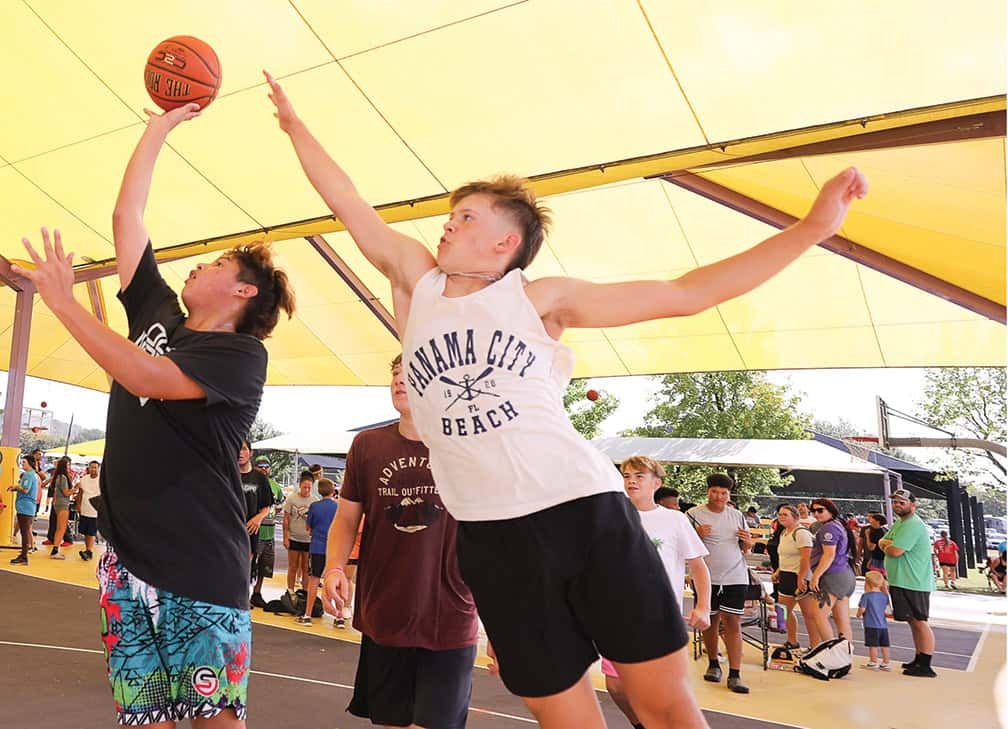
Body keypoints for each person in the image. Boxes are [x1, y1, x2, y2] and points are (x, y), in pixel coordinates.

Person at [268, 68, 865, 729]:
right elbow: (348, 201)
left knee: (661, 703)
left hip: (579, 510)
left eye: (465, 216)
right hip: (492, 538)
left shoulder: (536, 297)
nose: (447, 225)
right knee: (566, 717)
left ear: (506, 242)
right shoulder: (418, 281)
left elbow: (686, 292)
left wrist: (813, 227)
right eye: (449, 214)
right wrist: (296, 127)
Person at [10, 100, 295, 726]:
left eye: (218, 264)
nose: (199, 263)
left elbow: (142, 374)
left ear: (244, 291)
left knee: (213, 716)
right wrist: (158, 127)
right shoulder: (157, 314)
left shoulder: (239, 356)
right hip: (124, 556)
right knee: (145, 717)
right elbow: (127, 217)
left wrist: (63, 303)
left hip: (198, 560)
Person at [321, 354, 479, 728]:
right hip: (385, 611)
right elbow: (346, 518)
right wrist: (334, 568)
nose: (400, 380)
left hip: (450, 614)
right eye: (395, 373)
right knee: (390, 721)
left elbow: (498, 535)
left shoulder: (468, 446)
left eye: (412, 373)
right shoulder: (367, 445)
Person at [610, 457, 712, 729]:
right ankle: (641, 724)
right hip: (616, 615)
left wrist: (703, 606)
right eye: (627, 475)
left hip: (658, 617)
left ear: (656, 483)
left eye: (639, 476)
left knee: (662, 690)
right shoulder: (612, 517)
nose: (631, 480)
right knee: (617, 687)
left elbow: (699, 568)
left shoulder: (674, 520)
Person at [687, 474, 753, 694]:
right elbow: (685, 546)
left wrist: (748, 542)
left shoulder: (737, 516)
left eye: (724, 493)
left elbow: (746, 549)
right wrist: (697, 535)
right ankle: (713, 662)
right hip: (706, 577)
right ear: (708, 491)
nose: (719, 496)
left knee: (733, 621)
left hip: (735, 576)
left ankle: (735, 673)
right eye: (715, 491)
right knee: (710, 620)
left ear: (729, 495)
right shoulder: (693, 515)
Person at [879, 489, 938, 677]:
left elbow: (895, 550)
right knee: (912, 621)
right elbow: (884, 541)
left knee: (920, 621)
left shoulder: (913, 525)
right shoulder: (901, 523)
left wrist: (887, 545)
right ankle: (919, 658)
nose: (898, 505)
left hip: (914, 581)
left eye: (902, 502)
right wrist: (886, 544)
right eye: (895, 502)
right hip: (902, 579)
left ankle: (926, 663)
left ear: (913, 504)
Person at [806, 498, 857, 646]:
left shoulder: (829, 528)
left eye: (820, 510)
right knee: (842, 620)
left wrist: (815, 577)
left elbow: (829, 555)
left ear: (831, 510)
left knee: (819, 616)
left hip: (833, 577)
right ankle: (844, 657)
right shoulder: (838, 525)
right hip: (845, 575)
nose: (816, 514)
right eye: (813, 511)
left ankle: (832, 653)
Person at [772, 505, 817, 650]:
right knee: (782, 609)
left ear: (795, 517)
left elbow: (806, 558)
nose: (781, 517)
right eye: (780, 514)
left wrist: (801, 578)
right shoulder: (784, 532)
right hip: (786, 575)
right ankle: (792, 641)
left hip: (800, 576)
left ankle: (815, 646)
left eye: (785, 514)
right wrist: (778, 571)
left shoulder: (801, 533)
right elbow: (785, 556)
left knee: (808, 615)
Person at [301, 479, 339, 625]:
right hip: (334, 548)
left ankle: (307, 614)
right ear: (332, 490)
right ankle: (339, 616)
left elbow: (308, 528)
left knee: (314, 580)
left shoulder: (314, 506)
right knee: (335, 581)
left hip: (317, 546)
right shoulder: (338, 507)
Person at [250, 455, 284, 607]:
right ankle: (245, 593)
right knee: (249, 566)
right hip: (255, 531)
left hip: (270, 533)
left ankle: (257, 593)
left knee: (265, 566)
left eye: (266, 466)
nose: (264, 469)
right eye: (260, 466)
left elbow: (280, 503)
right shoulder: (251, 483)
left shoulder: (275, 486)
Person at [237, 440, 273, 581]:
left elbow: (267, 504)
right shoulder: (227, 475)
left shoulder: (260, 478)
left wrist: (259, 518)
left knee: (245, 572)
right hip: (229, 531)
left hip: (250, 533)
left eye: (244, 449)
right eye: (237, 449)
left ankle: (245, 601)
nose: (240, 453)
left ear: (250, 453)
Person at [283, 471, 316, 595]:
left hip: (308, 540)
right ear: (299, 486)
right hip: (294, 538)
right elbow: (286, 519)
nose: (306, 490)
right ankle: (290, 591)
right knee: (293, 566)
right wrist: (286, 537)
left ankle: (304, 592)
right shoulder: (291, 499)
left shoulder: (315, 501)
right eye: (304, 487)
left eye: (309, 488)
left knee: (306, 568)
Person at [9, 454, 40, 566]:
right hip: (26, 507)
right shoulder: (32, 475)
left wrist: (16, 487)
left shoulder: (28, 475)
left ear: (30, 463)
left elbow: (26, 490)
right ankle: (23, 554)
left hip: (25, 507)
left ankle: (24, 556)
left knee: (25, 532)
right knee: (25, 531)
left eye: (24, 463)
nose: (22, 465)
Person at [857, 571, 892, 670]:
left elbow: (862, 609)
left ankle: (873, 661)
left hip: (871, 624)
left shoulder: (866, 596)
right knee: (884, 644)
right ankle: (886, 662)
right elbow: (887, 610)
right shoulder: (884, 596)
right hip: (883, 625)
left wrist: (858, 614)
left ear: (867, 583)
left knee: (873, 644)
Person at [45, 456, 75, 559]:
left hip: (58, 503)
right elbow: (66, 493)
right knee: (61, 528)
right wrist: (76, 488)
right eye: (67, 465)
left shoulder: (58, 477)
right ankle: (55, 550)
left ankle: (55, 549)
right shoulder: (63, 477)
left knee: (59, 528)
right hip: (63, 504)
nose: (69, 467)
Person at [75, 460, 102, 561]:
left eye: (95, 467)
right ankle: (87, 550)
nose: (93, 469)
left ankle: (89, 551)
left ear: (98, 468)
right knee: (85, 532)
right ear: (89, 468)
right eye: (92, 467)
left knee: (91, 532)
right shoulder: (84, 479)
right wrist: (78, 504)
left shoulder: (101, 480)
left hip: (95, 511)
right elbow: (80, 493)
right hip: (84, 509)